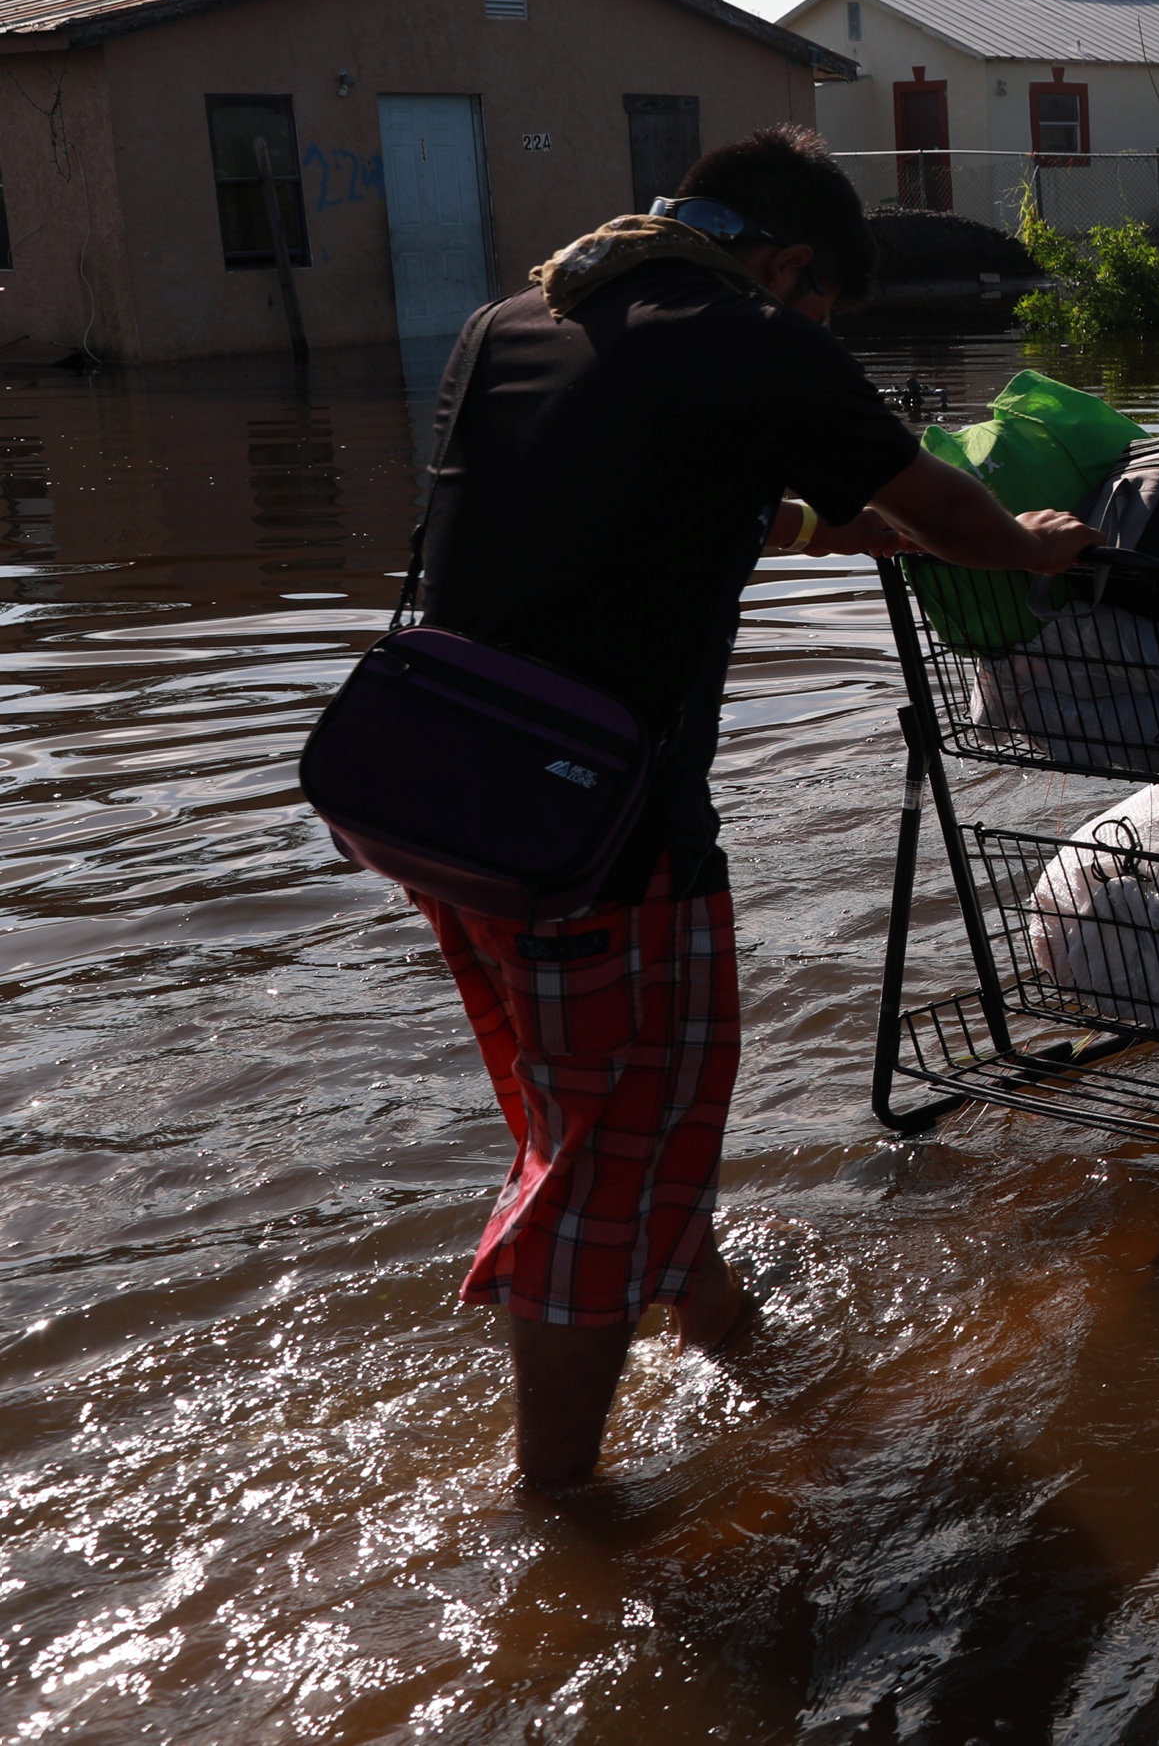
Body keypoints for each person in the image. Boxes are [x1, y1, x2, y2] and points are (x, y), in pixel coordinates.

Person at [417, 125, 1094, 1491]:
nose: (819, 325)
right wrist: (1023, 545)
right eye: (823, 301)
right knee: (612, 1150)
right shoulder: (753, 334)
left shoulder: (521, 313)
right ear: (785, 263)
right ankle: (556, 1507)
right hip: (605, 838)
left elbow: (623, 495)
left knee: (612, 1113)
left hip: (441, 804)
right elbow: (949, 507)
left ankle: (719, 1320)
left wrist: (815, 527)